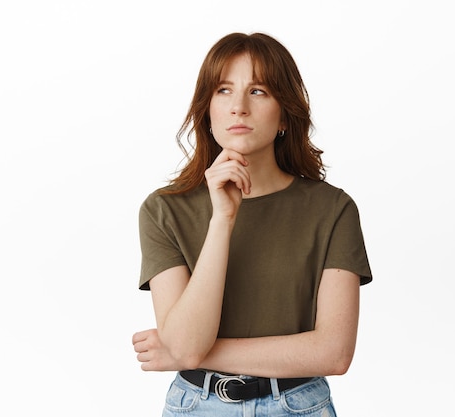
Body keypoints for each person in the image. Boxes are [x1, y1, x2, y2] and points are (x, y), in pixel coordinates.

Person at [132, 32, 372, 417]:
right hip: (196, 406)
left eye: (258, 91)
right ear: (206, 109)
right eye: (224, 90)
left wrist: (184, 350)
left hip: (298, 407)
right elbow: (185, 346)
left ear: (284, 114)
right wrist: (222, 220)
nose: (238, 107)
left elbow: (334, 353)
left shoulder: (332, 210)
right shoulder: (164, 210)